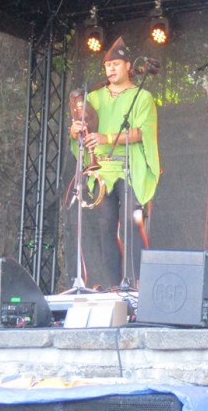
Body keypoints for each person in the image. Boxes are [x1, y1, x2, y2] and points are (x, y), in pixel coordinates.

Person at [69, 37, 160, 290]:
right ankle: (114, 286)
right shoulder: (93, 97)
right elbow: (82, 129)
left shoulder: (142, 97)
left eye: (116, 64)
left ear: (128, 66)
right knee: (105, 227)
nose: (110, 69)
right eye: (107, 65)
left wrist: (106, 138)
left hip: (130, 169)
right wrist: (75, 131)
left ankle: (141, 284)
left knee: (133, 224)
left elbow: (142, 133)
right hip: (101, 171)